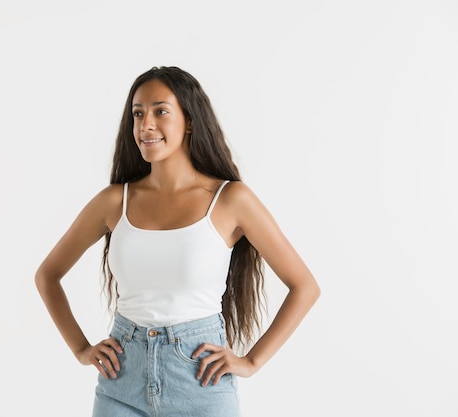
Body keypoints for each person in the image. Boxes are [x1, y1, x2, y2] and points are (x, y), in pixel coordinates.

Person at [35, 66, 320, 417]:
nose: (145, 125)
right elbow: (47, 275)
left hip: (200, 383)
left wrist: (251, 361)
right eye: (137, 114)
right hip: (121, 383)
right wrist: (80, 349)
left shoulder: (230, 200)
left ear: (189, 121)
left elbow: (304, 286)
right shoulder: (114, 201)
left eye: (160, 111)